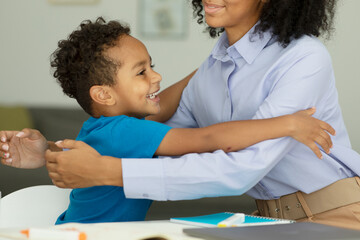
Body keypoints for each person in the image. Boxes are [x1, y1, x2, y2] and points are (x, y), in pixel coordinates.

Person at [1, 0, 360, 230]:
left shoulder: (302, 58)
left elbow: (238, 169)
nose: (155, 77)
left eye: (150, 68)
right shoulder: (213, 69)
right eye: (142, 71)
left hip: (335, 214)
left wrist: (108, 172)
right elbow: (138, 138)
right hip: (266, 219)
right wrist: (51, 151)